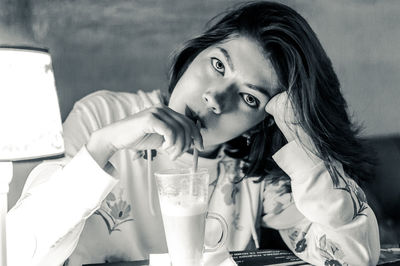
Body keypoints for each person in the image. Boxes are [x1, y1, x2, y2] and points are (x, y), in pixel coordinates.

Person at [7, 1, 380, 265]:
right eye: (217, 64)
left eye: (249, 98)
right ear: (194, 54)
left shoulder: (255, 176)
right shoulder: (103, 115)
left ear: (265, 119)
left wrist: (303, 142)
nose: (215, 98)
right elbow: (20, 252)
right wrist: (102, 146)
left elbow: (350, 259)